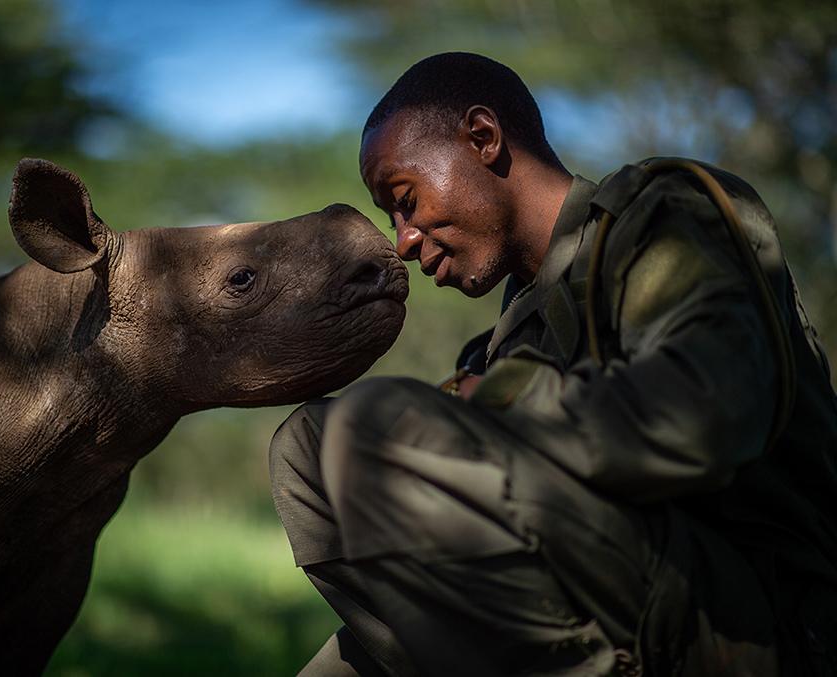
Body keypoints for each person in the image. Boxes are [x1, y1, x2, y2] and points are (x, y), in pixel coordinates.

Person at [269, 52, 837, 676]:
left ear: (483, 138)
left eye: (405, 200)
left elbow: (706, 417)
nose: (402, 241)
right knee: (305, 445)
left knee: (372, 424)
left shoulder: (664, 215)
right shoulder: (503, 339)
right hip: (602, 603)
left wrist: (496, 404)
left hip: (750, 622)